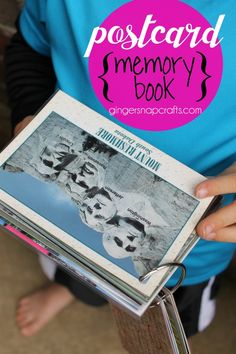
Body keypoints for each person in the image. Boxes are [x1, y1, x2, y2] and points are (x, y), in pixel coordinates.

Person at [4, 0, 236, 340]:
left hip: (195, 255)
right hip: (65, 226)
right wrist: (28, 114)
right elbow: (30, 47)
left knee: (175, 327)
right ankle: (71, 290)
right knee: (75, 271)